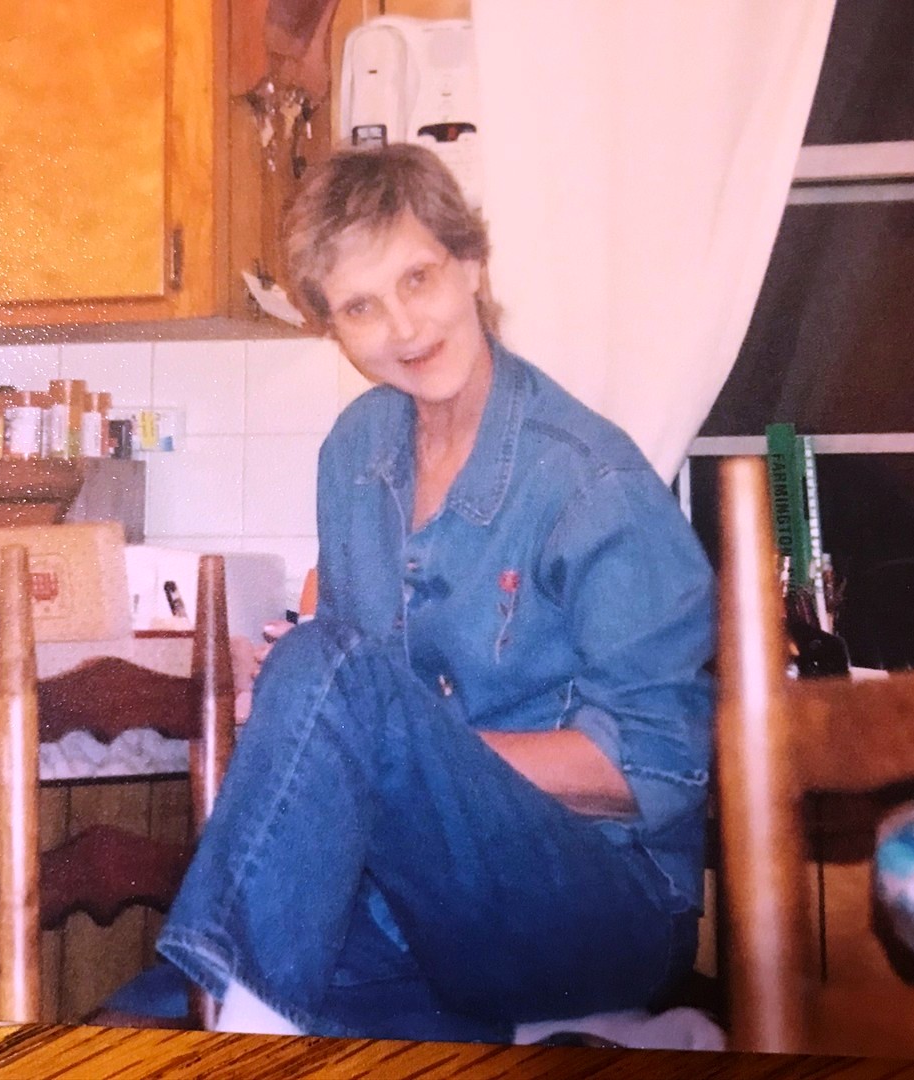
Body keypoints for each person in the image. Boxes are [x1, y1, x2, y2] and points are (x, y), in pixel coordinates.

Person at [155, 142, 715, 1044]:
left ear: (472, 265)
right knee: (137, 1027)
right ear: (334, 330)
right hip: (420, 907)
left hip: (606, 904)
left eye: (418, 279)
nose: (404, 327)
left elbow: (654, 771)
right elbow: (357, 677)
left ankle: (247, 1029)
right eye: (361, 306)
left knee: (233, 1007)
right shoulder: (354, 453)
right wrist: (312, 714)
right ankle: (557, 1037)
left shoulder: (592, 482)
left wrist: (384, 742)